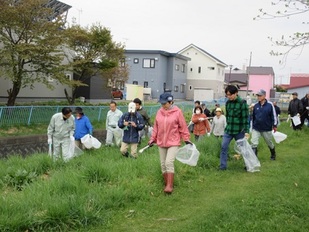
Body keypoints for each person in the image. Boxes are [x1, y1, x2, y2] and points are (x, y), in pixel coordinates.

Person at [148, 93, 192, 194]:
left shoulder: (177, 112)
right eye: (161, 103)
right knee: (163, 164)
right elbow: (156, 128)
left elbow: (183, 127)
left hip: (173, 141)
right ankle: (166, 183)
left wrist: (186, 138)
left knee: (169, 162)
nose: (163, 105)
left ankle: (170, 186)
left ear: (171, 102)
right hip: (161, 142)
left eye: (165, 103)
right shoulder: (159, 112)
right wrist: (152, 139)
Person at [219, 85, 249, 170]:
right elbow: (227, 116)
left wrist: (246, 131)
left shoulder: (242, 103)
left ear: (236, 93)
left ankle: (248, 165)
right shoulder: (228, 103)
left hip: (239, 131)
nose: (229, 97)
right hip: (228, 130)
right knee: (223, 147)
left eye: (230, 95)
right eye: (227, 95)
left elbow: (245, 118)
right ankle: (222, 167)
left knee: (244, 149)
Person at [251, 89, 278, 160]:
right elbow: (253, 116)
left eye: (260, 95)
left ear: (264, 96)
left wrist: (274, 125)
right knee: (254, 143)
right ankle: (254, 160)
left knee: (269, 143)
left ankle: (273, 154)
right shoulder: (256, 105)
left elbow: (274, 115)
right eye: (258, 95)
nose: (258, 97)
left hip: (266, 128)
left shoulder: (270, 105)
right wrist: (252, 126)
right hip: (256, 128)